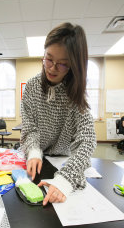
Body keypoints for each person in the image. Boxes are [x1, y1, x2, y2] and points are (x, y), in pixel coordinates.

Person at [21, 22, 97, 206]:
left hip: (64, 161)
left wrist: (66, 179)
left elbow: (87, 139)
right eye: (48, 59)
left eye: (62, 64)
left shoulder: (76, 93)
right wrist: (33, 152)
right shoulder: (31, 87)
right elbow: (29, 128)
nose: (52, 68)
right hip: (36, 159)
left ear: (73, 66)